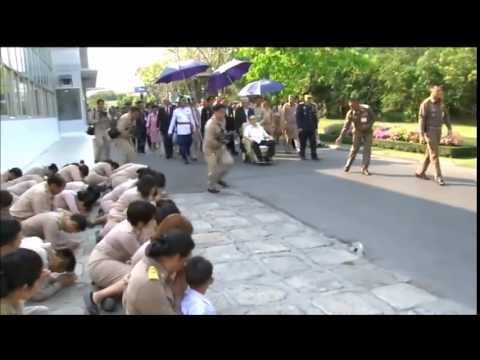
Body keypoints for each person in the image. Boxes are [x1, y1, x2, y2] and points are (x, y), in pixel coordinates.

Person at [84, 201, 157, 315]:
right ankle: (96, 297)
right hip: (100, 264)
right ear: (141, 222)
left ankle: (109, 292)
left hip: (113, 262)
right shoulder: (126, 234)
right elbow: (140, 258)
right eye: (152, 219)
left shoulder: (134, 226)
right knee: (137, 277)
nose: (154, 221)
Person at [123, 230, 195, 315]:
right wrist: (178, 294)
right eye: (185, 261)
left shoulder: (151, 264)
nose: (184, 265)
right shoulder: (149, 283)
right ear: (177, 257)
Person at [415, 85, 452, 186]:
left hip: (438, 130)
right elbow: (421, 120)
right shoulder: (425, 104)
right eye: (438, 92)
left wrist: (449, 129)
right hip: (429, 131)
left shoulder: (441, 103)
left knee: (430, 152)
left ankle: (421, 172)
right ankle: (438, 176)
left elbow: (446, 116)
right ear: (432, 92)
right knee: (434, 154)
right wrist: (421, 135)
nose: (440, 94)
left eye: (440, 92)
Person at [20, 237, 77, 302]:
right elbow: (38, 295)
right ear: (61, 261)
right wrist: (61, 283)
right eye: (60, 269)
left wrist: (55, 279)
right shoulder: (41, 259)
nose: (52, 272)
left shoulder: (37, 240)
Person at [335, 93, 376, 175]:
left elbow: (373, 118)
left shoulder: (367, 108)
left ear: (357, 103)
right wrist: (340, 137)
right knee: (354, 149)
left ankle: (365, 168)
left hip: (368, 132)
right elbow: (346, 127)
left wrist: (368, 125)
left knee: (367, 150)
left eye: (352, 106)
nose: (351, 107)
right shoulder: (350, 113)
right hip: (357, 132)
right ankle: (348, 165)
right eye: (350, 106)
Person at [0, 248, 48, 315]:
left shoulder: (12, 291)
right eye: (38, 280)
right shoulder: (5, 309)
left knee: (41, 310)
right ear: (24, 288)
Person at [203, 104, 234, 194]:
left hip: (220, 147)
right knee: (213, 169)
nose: (223, 114)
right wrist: (221, 142)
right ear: (215, 112)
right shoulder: (210, 125)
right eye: (221, 112)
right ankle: (211, 186)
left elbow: (222, 131)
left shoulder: (223, 120)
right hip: (210, 149)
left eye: (224, 112)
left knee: (229, 162)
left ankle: (218, 179)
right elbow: (209, 140)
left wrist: (227, 136)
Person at [21, 210, 88, 250]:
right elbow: (51, 245)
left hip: (32, 233)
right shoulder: (53, 222)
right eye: (74, 231)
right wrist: (69, 245)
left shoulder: (60, 217)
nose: (71, 233)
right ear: (73, 225)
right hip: (23, 236)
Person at [168, 96, 197, 165]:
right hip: (180, 130)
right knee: (182, 144)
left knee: (189, 143)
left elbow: (192, 119)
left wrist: (194, 127)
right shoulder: (176, 111)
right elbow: (172, 121)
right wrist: (170, 131)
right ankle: (185, 158)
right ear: (179, 103)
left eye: (184, 101)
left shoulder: (188, 109)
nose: (183, 103)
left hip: (188, 129)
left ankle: (186, 152)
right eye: (181, 102)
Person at [296, 94, 319, 160]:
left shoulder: (313, 106)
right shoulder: (300, 106)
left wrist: (316, 127)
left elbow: (315, 117)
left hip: (311, 127)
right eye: (308, 98)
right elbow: (298, 117)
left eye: (310, 98)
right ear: (305, 98)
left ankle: (314, 155)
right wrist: (299, 127)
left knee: (313, 142)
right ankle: (302, 155)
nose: (309, 99)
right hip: (303, 128)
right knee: (303, 142)